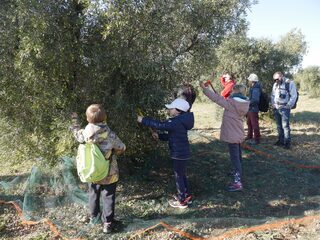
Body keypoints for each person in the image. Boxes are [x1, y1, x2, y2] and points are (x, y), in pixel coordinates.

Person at [70, 104, 126, 234]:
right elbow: (122, 147)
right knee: (108, 197)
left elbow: (75, 132)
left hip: (92, 171)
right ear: (104, 117)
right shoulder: (110, 134)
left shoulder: (84, 134)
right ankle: (107, 223)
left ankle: (94, 217)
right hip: (109, 173)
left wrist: (74, 120)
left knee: (93, 194)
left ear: (88, 119)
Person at [137, 98, 194, 208]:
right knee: (181, 174)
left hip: (178, 153)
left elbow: (160, 125)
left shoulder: (175, 122)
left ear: (178, 110)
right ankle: (186, 195)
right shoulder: (181, 120)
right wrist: (159, 136)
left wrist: (142, 120)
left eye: (171, 109)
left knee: (178, 176)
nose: (169, 110)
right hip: (183, 152)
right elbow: (171, 136)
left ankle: (182, 201)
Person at [200, 82, 249, 192]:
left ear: (236, 92)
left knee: (235, 158)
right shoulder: (244, 103)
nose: (231, 92)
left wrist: (205, 89)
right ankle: (238, 173)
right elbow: (221, 99)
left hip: (232, 134)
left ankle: (238, 182)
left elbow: (216, 99)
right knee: (238, 155)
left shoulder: (231, 103)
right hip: (238, 132)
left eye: (233, 90)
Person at [271, 71, 298, 149]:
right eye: (274, 79)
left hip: (285, 108)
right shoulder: (275, 84)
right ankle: (280, 141)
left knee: (285, 126)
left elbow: (294, 96)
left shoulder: (289, 83)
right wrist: (273, 104)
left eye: (277, 79)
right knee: (279, 126)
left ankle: (287, 143)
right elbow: (272, 95)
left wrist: (288, 105)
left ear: (282, 76)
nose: (276, 81)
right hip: (276, 108)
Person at [246, 73, 261, 145]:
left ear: (252, 81)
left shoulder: (256, 88)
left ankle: (256, 139)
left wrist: (247, 102)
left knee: (254, 124)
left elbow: (255, 100)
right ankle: (249, 137)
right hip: (250, 108)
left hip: (253, 109)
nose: (248, 81)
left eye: (249, 80)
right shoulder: (253, 87)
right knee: (249, 123)